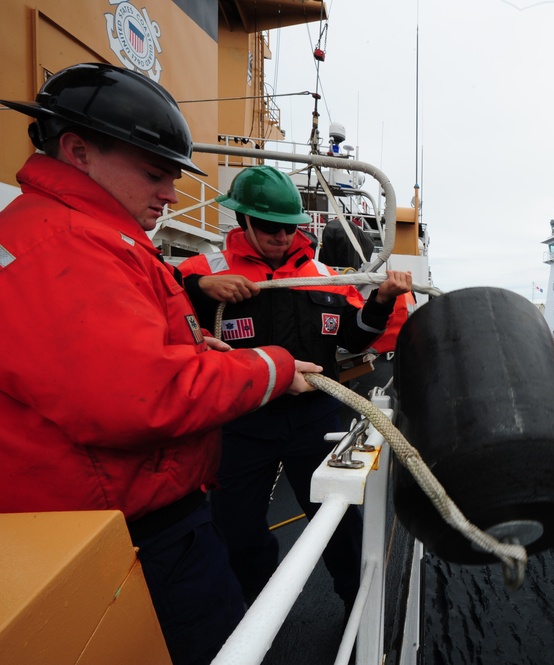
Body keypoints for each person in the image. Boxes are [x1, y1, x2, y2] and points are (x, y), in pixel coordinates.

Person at [0, 63, 323, 665]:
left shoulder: (69, 234)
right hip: (138, 532)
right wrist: (272, 366)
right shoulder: (69, 246)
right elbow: (140, 397)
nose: (172, 194)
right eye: (155, 173)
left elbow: (108, 360)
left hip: (107, 518)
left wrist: (199, 351)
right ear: (77, 151)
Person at [178, 165, 412, 619]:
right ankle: (259, 612)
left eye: (290, 228)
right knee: (237, 529)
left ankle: (357, 606)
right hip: (241, 422)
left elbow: (356, 336)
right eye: (269, 227)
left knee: (339, 522)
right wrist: (199, 289)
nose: (281, 237)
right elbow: (158, 302)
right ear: (242, 220)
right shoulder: (202, 270)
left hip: (314, 419)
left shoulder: (324, 275)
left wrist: (381, 301)